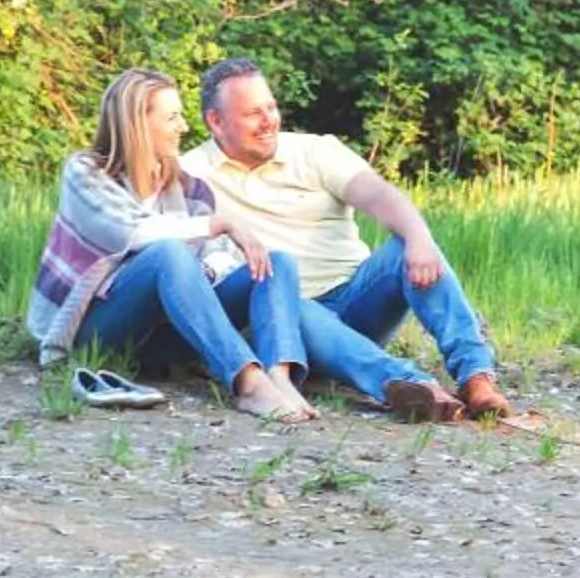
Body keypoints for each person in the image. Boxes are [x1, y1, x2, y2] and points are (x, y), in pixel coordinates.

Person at [184, 55, 516, 422]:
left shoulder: (315, 151)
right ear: (216, 121)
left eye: (272, 108)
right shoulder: (192, 174)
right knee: (294, 304)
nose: (269, 121)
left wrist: (419, 238)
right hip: (280, 316)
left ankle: (476, 377)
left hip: (357, 296)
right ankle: (409, 386)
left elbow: (377, 194)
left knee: (409, 245)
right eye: (253, 114)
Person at [26, 68, 318, 422]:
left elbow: (219, 260)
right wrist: (217, 224)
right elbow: (127, 233)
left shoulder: (189, 188)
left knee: (276, 263)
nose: (183, 126)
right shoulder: (86, 173)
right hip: (95, 332)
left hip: (164, 338)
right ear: (138, 123)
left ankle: (278, 376)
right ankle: (247, 382)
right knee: (167, 253)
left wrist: (202, 271)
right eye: (172, 117)